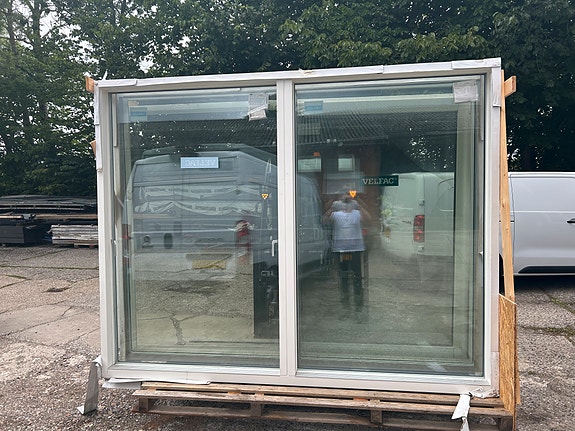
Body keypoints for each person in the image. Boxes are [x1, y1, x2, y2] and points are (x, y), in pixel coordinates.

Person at [327, 194, 368, 315]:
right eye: (344, 201)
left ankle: (358, 307)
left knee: (357, 278)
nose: (346, 203)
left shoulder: (356, 213)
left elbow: (368, 218)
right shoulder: (336, 214)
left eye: (348, 200)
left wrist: (359, 204)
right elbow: (324, 219)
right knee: (343, 278)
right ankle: (345, 307)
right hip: (341, 250)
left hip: (355, 250)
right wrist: (332, 205)